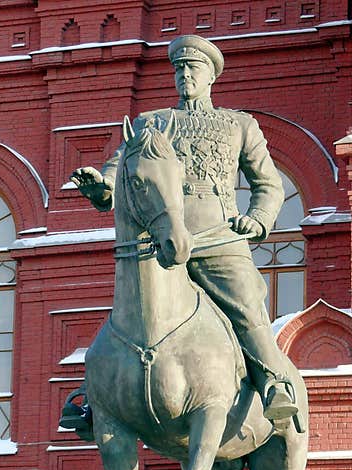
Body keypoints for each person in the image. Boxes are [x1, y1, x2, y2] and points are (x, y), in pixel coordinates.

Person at [68, 34, 299, 429]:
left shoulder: (239, 125)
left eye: (193, 68)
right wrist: (102, 184)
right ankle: (98, 400)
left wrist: (257, 218)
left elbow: (268, 184)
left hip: (218, 238)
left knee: (245, 303)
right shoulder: (153, 123)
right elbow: (125, 163)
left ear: (211, 76)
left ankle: (275, 384)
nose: (184, 75)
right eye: (178, 69)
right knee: (131, 307)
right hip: (159, 243)